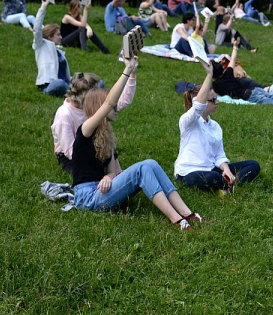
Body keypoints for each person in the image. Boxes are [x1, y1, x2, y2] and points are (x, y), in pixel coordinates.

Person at [72, 57, 202, 230]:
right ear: (100, 108)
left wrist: (108, 177)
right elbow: (110, 101)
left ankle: (187, 213)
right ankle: (177, 221)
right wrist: (127, 69)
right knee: (142, 169)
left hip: (100, 190)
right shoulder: (85, 130)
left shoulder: (106, 136)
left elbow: (115, 173)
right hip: (86, 197)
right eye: (112, 106)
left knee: (150, 164)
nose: (116, 107)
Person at [174, 61, 260, 191]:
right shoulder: (187, 121)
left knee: (253, 165)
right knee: (215, 177)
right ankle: (226, 185)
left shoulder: (215, 126)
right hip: (190, 172)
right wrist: (209, 75)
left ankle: (230, 185)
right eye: (213, 100)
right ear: (202, 102)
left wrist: (226, 170)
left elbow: (219, 154)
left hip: (211, 168)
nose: (217, 102)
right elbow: (198, 106)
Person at [51, 71, 136, 173]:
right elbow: (71, 152)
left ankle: (116, 172)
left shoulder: (91, 104)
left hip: (93, 147)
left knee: (109, 151)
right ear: (85, 96)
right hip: (72, 158)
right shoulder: (64, 115)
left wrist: (132, 74)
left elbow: (122, 101)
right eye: (95, 92)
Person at [33, 0, 71, 96]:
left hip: (66, 84)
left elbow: (64, 75)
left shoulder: (59, 53)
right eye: (58, 35)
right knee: (59, 83)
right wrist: (43, 7)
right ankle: (77, 95)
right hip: (49, 86)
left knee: (91, 80)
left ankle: (82, 94)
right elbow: (37, 29)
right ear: (50, 36)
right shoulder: (41, 46)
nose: (61, 37)